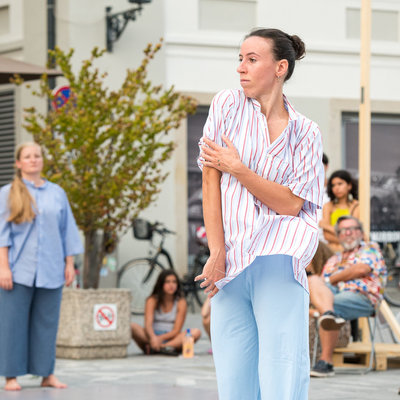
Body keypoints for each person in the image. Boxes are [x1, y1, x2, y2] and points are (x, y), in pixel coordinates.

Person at [196, 28, 324, 399]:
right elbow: (209, 180)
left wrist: (239, 169)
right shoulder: (226, 106)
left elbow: (291, 204)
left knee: (282, 369)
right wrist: (216, 252)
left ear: (280, 67)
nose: (241, 68)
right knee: (234, 374)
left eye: (252, 59)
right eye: (240, 58)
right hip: (231, 260)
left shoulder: (306, 133)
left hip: (279, 259)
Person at [0, 142, 83, 391]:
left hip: (51, 270)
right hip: (17, 271)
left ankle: (46, 374)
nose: (33, 160)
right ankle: (11, 376)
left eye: (37, 155)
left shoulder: (57, 193)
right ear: (18, 163)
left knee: (47, 323)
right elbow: (2, 235)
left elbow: (67, 230)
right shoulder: (7, 193)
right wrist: (3, 268)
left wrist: (69, 264)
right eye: (27, 156)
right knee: (12, 324)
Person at [309, 216, 387, 377]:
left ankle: (326, 362)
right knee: (313, 280)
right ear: (338, 235)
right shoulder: (333, 259)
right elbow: (321, 285)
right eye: (343, 230)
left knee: (330, 305)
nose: (349, 233)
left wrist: (332, 279)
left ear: (361, 232)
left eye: (353, 229)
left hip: (363, 297)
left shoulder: (370, 248)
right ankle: (328, 314)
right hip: (335, 296)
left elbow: (360, 270)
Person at [131, 270, 201, 355]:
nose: (171, 285)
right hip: (151, 337)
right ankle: (161, 348)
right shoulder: (152, 300)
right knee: (132, 326)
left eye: (174, 282)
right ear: (161, 284)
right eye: (167, 282)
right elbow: (148, 325)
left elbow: (176, 330)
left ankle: (162, 347)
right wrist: (153, 338)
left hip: (172, 338)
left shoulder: (181, 302)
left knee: (195, 332)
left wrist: (160, 339)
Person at [320, 170, 359, 251]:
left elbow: (354, 236)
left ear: (349, 186)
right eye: (333, 185)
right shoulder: (328, 206)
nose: (336, 188)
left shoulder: (356, 206)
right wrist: (347, 236)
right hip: (332, 253)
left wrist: (326, 226)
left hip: (352, 254)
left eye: (340, 184)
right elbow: (327, 236)